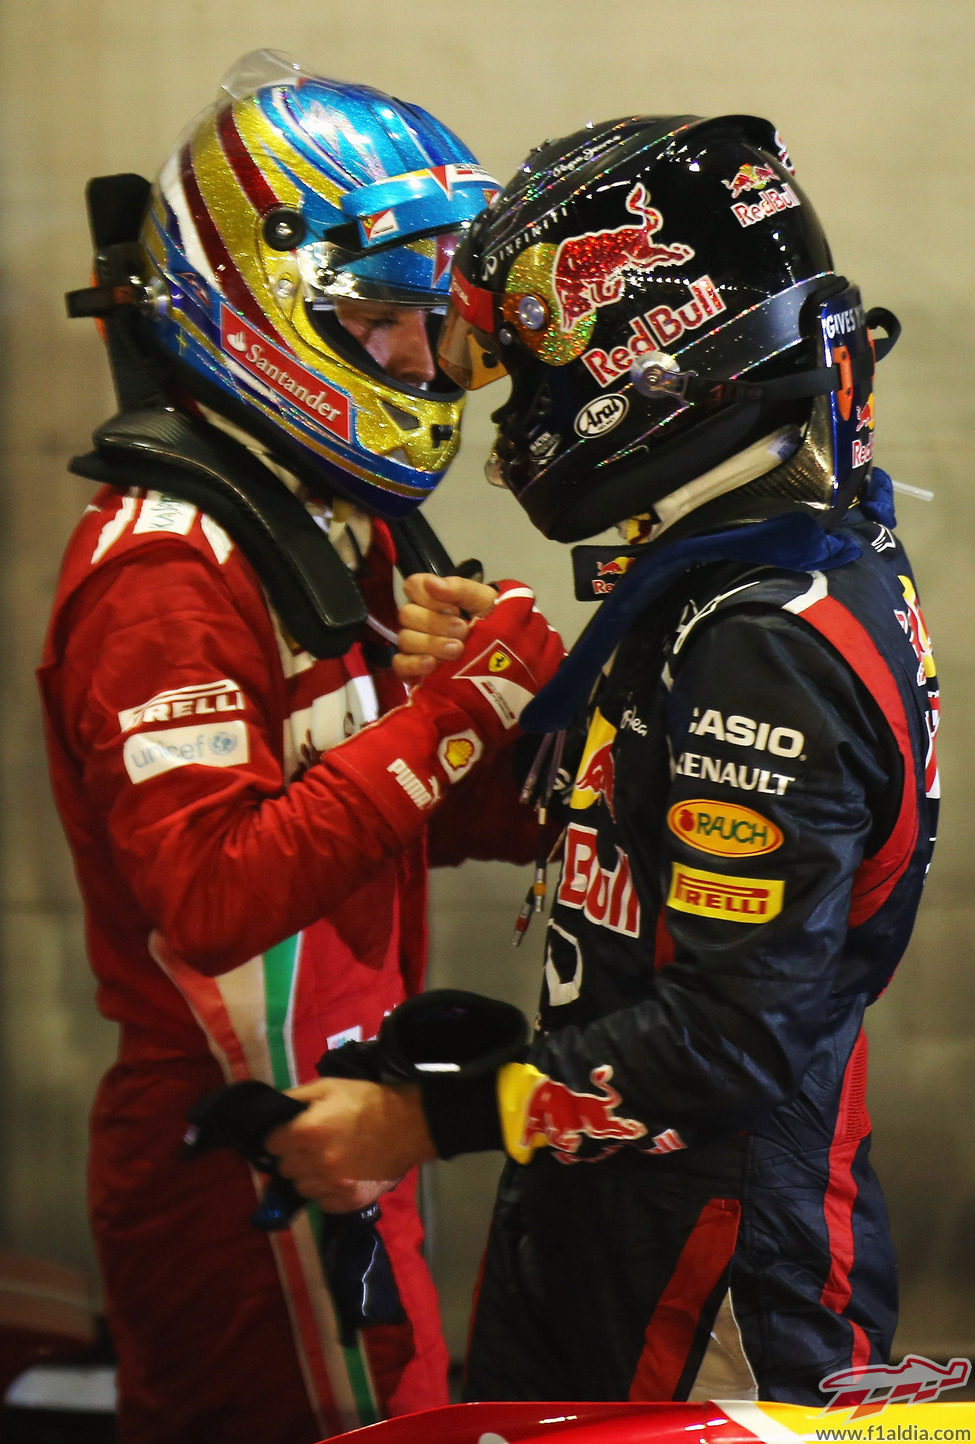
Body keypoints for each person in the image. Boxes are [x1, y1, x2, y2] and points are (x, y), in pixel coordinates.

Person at [266, 114, 941, 1407]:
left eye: (532, 375)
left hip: (715, 1261)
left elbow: (740, 1037)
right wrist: (540, 698)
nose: (523, 413)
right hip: (618, 1194)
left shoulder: (760, 633)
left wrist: (424, 1121)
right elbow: (667, 813)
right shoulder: (763, 555)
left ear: (639, 357)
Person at [38, 50, 563, 1444]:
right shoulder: (165, 568)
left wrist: (538, 747)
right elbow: (212, 900)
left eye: (426, 321)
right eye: (384, 319)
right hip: (227, 1154)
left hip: (348, 1114)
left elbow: (394, 809)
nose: (417, 358)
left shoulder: (333, 518)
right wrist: (469, 709)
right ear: (264, 306)